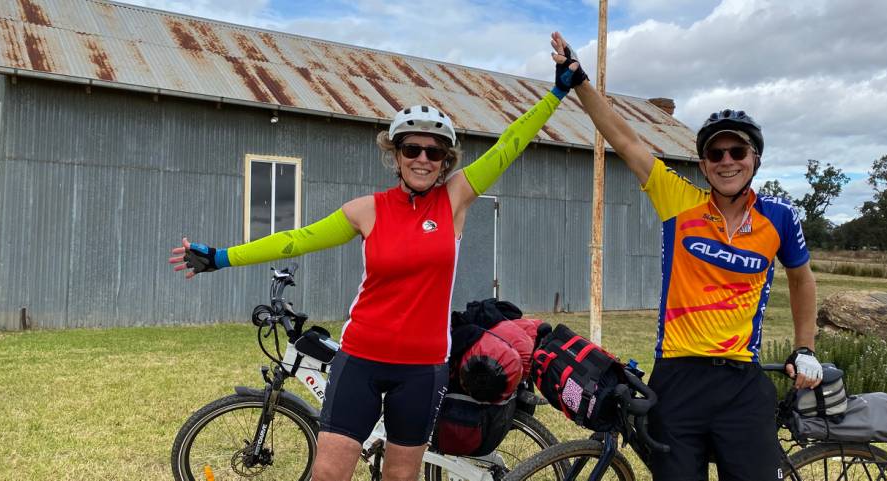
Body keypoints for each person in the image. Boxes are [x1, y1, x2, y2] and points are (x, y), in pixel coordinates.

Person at [167, 58, 580, 481]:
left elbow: (509, 145)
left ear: (445, 160)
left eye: (434, 152)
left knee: (400, 477)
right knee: (329, 472)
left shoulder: (454, 199)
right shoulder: (367, 210)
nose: (422, 158)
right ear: (396, 155)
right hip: (361, 358)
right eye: (411, 149)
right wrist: (220, 257)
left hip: (423, 367)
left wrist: (556, 94)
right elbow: (295, 239)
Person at [549, 32, 823, 481]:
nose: (727, 160)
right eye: (716, 153)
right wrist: (579, 81)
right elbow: (624, 139)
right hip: (677, 379)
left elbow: (802, 278)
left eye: (738, 151)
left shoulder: (779, 218)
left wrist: (805, 346)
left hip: (741, 380)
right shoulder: (680, 203)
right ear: (703, 163)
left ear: (755, 159)